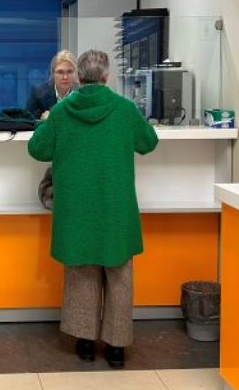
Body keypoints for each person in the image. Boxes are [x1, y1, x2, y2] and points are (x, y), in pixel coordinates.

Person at [26, 49, 159, 369]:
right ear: (107, 77)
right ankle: (116, 347)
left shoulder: (61, 111)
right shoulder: (125, 109)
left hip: (76, 208)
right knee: (119, 275)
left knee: (80, 272)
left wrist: (47, 121)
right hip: (116, 206)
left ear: (78, 76)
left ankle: (84, 342)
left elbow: (37, 149)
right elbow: (148, 142)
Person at [26, 50, 78, 120]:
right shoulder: (39, 94)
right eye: (60, 72)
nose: (65, 77)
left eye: (69, 72)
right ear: (53, 73)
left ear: (75, 73)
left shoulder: (81, 93)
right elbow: (27, 121)